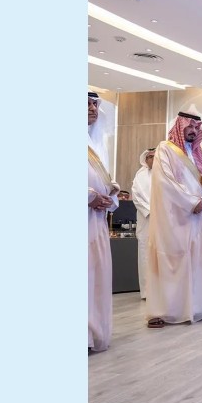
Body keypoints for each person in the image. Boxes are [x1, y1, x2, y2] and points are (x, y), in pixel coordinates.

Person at [144, 112, 202, 328]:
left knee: (198, 260)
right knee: (172, 260)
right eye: (189, 126)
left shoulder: (201, 152)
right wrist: (191, 202)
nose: (193, 130)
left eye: (196, 127)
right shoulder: (165, 149)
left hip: (200, 216)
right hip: (175, 217)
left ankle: (199, 306)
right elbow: (164, 181)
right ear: (179, 126)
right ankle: (163, 311)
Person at [88, 91, 119, 351]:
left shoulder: (97, 144)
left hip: (95, 220)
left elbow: (104, 180)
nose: (92, 109)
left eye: (95, 104)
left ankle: (92, 333)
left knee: (94, 277)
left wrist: (111, 195)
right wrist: (89, 197)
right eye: (86, 104)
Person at [131, 148, 155, 299]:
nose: (153, 159)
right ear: (145, 159)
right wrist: (150, 211)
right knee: (146, 254)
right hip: (146, 220)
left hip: (163, 220)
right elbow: (136, 197)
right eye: (150, 157)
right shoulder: (139, 176)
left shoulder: (166, 173)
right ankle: (147, 292)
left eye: (155, 156)